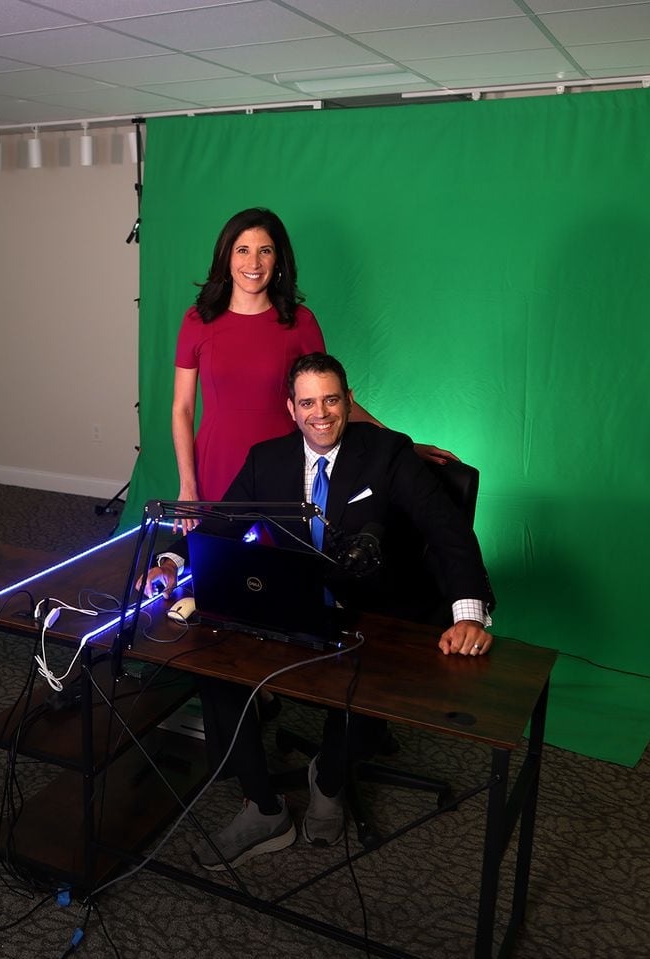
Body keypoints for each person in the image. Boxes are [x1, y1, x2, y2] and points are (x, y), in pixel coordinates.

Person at [145, 352, 495, 870]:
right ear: (291, 409)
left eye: (331, 400)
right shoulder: (268, 459)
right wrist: (170, 561)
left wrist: (467, 613)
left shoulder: (388, 453)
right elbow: (221, 522)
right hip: (295, 606)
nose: (321, 413)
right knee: (212, 661)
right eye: (307, 402)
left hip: (378, 611)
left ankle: (328, 778)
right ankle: (262, 807)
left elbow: (448, 532)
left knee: (366, 696)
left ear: (349, 401)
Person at [172, 208, 455, 518]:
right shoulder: (197, 321)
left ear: (278, 260)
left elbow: (332, 402)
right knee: (218, 557)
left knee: (284, 559)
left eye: (264, 251)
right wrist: (188, 485)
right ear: (227, 256)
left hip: (285, 463)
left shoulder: (300, 323)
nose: (253, 263)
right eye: (243, 250)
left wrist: (401, 445)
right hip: (216, 463)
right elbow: (183, 409)